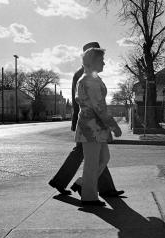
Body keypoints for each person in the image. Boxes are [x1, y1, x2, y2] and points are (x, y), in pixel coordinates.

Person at [48, 42, 124, 198]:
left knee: (99, 158)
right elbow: (94, 105)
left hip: (91, 124)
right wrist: (113, 126)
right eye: (100, 58)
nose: (104, 62)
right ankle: (91, 191)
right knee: (90, 159)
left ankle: (86, 185)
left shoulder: (88, 75)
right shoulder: (86, 76)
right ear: (92, 57)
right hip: (90, 125)